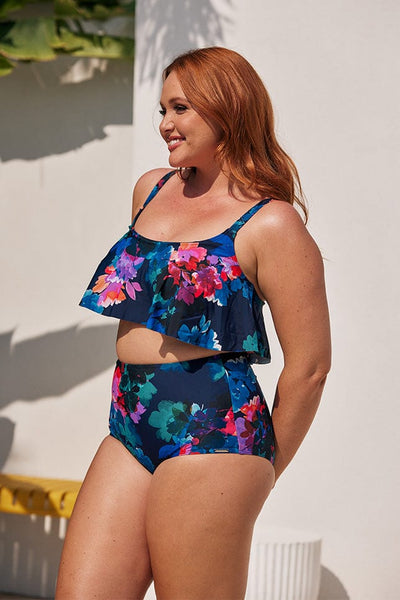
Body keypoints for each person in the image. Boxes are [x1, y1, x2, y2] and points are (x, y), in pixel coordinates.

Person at [56, 46, 331, 600]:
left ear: (225, 108)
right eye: (162, 109)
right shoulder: (152, 189)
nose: (164, 125)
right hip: (129, 416)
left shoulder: (270, 222)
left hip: (215, 430)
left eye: (179, 108)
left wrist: (260, 469)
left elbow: (310, 368)